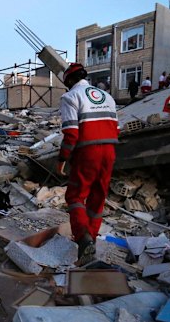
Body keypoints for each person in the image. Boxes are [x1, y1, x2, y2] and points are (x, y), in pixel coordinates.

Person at [56, 63, 118, 266]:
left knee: (75, 196)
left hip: (87, 151)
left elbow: (72, 133)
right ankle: (90, 242)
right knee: (98, 197)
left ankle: (83, 239)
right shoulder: (107, 96)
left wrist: (62, 159)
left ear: (69, 81)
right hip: (109, 150)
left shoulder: (70, 97)